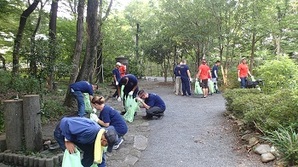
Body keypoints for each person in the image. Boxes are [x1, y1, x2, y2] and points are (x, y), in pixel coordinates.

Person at [54, 117, 118, 167]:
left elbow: (101, 155)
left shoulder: (99, 137)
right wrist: (67, 140)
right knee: (71, 154)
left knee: (91, 154)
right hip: (63, 132)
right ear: (104, 140)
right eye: (106, 145)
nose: (105, 146)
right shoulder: (90, 130)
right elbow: (65, 122)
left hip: (78, 137)